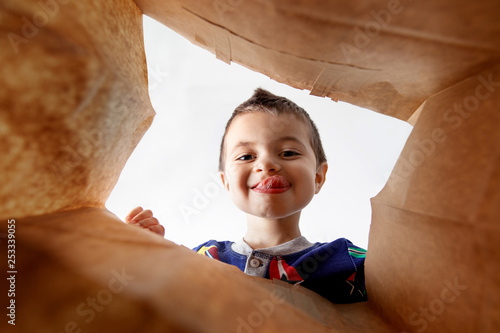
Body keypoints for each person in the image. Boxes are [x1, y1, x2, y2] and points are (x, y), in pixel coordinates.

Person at [126, 88, 367, 304]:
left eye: (288, 152)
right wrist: (147, 256)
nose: (267, 164)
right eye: (246, 156)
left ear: (318, 177)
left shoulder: (351, 262)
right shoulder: (203, 259)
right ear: (226, 182)